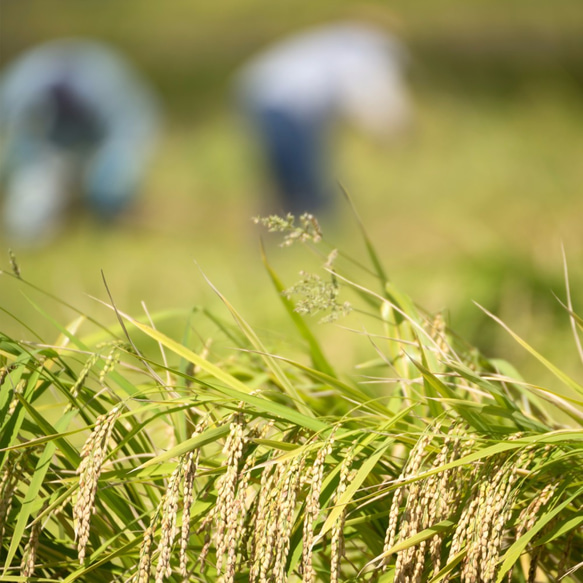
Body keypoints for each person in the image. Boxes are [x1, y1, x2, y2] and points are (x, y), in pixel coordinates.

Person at [234, 22, 413, 215]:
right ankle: (313, 228)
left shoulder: (337, 42)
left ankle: (275, 227)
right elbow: (372, 98)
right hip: (286, 105)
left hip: (256, 96)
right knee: (306, 181)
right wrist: (394, 132)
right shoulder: (364, 52)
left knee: (284, 175)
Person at [0, 38, 160, 245]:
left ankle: (107, 219)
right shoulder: (22, 85)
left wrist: (114, 172)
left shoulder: (106, 82)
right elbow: (12, 131)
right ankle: (27, 236)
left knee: (112, 189)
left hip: (99, 141)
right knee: (30, 204)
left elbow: (134, 128)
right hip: (43, 146)